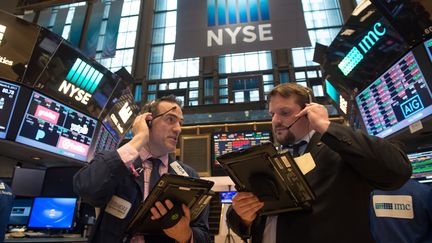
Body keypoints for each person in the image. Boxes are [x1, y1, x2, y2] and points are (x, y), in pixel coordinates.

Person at [226, 83, 412, 243]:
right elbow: (240, 219)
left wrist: (325, 126)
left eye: (285, 112)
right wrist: (242, 217)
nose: (275, 121)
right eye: (272, 114)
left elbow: (397, 171)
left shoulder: (339, 149)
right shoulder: (268, 160)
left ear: (308, 111)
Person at [74, 95, 210, 243]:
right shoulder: (118, 160)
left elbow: (204, 235)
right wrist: (138, 139)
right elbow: (87, 189)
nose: (178, 129)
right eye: (170, 119)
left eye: (180, 123)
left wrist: (186, 235)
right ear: (147, 121)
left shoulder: (189, 176)